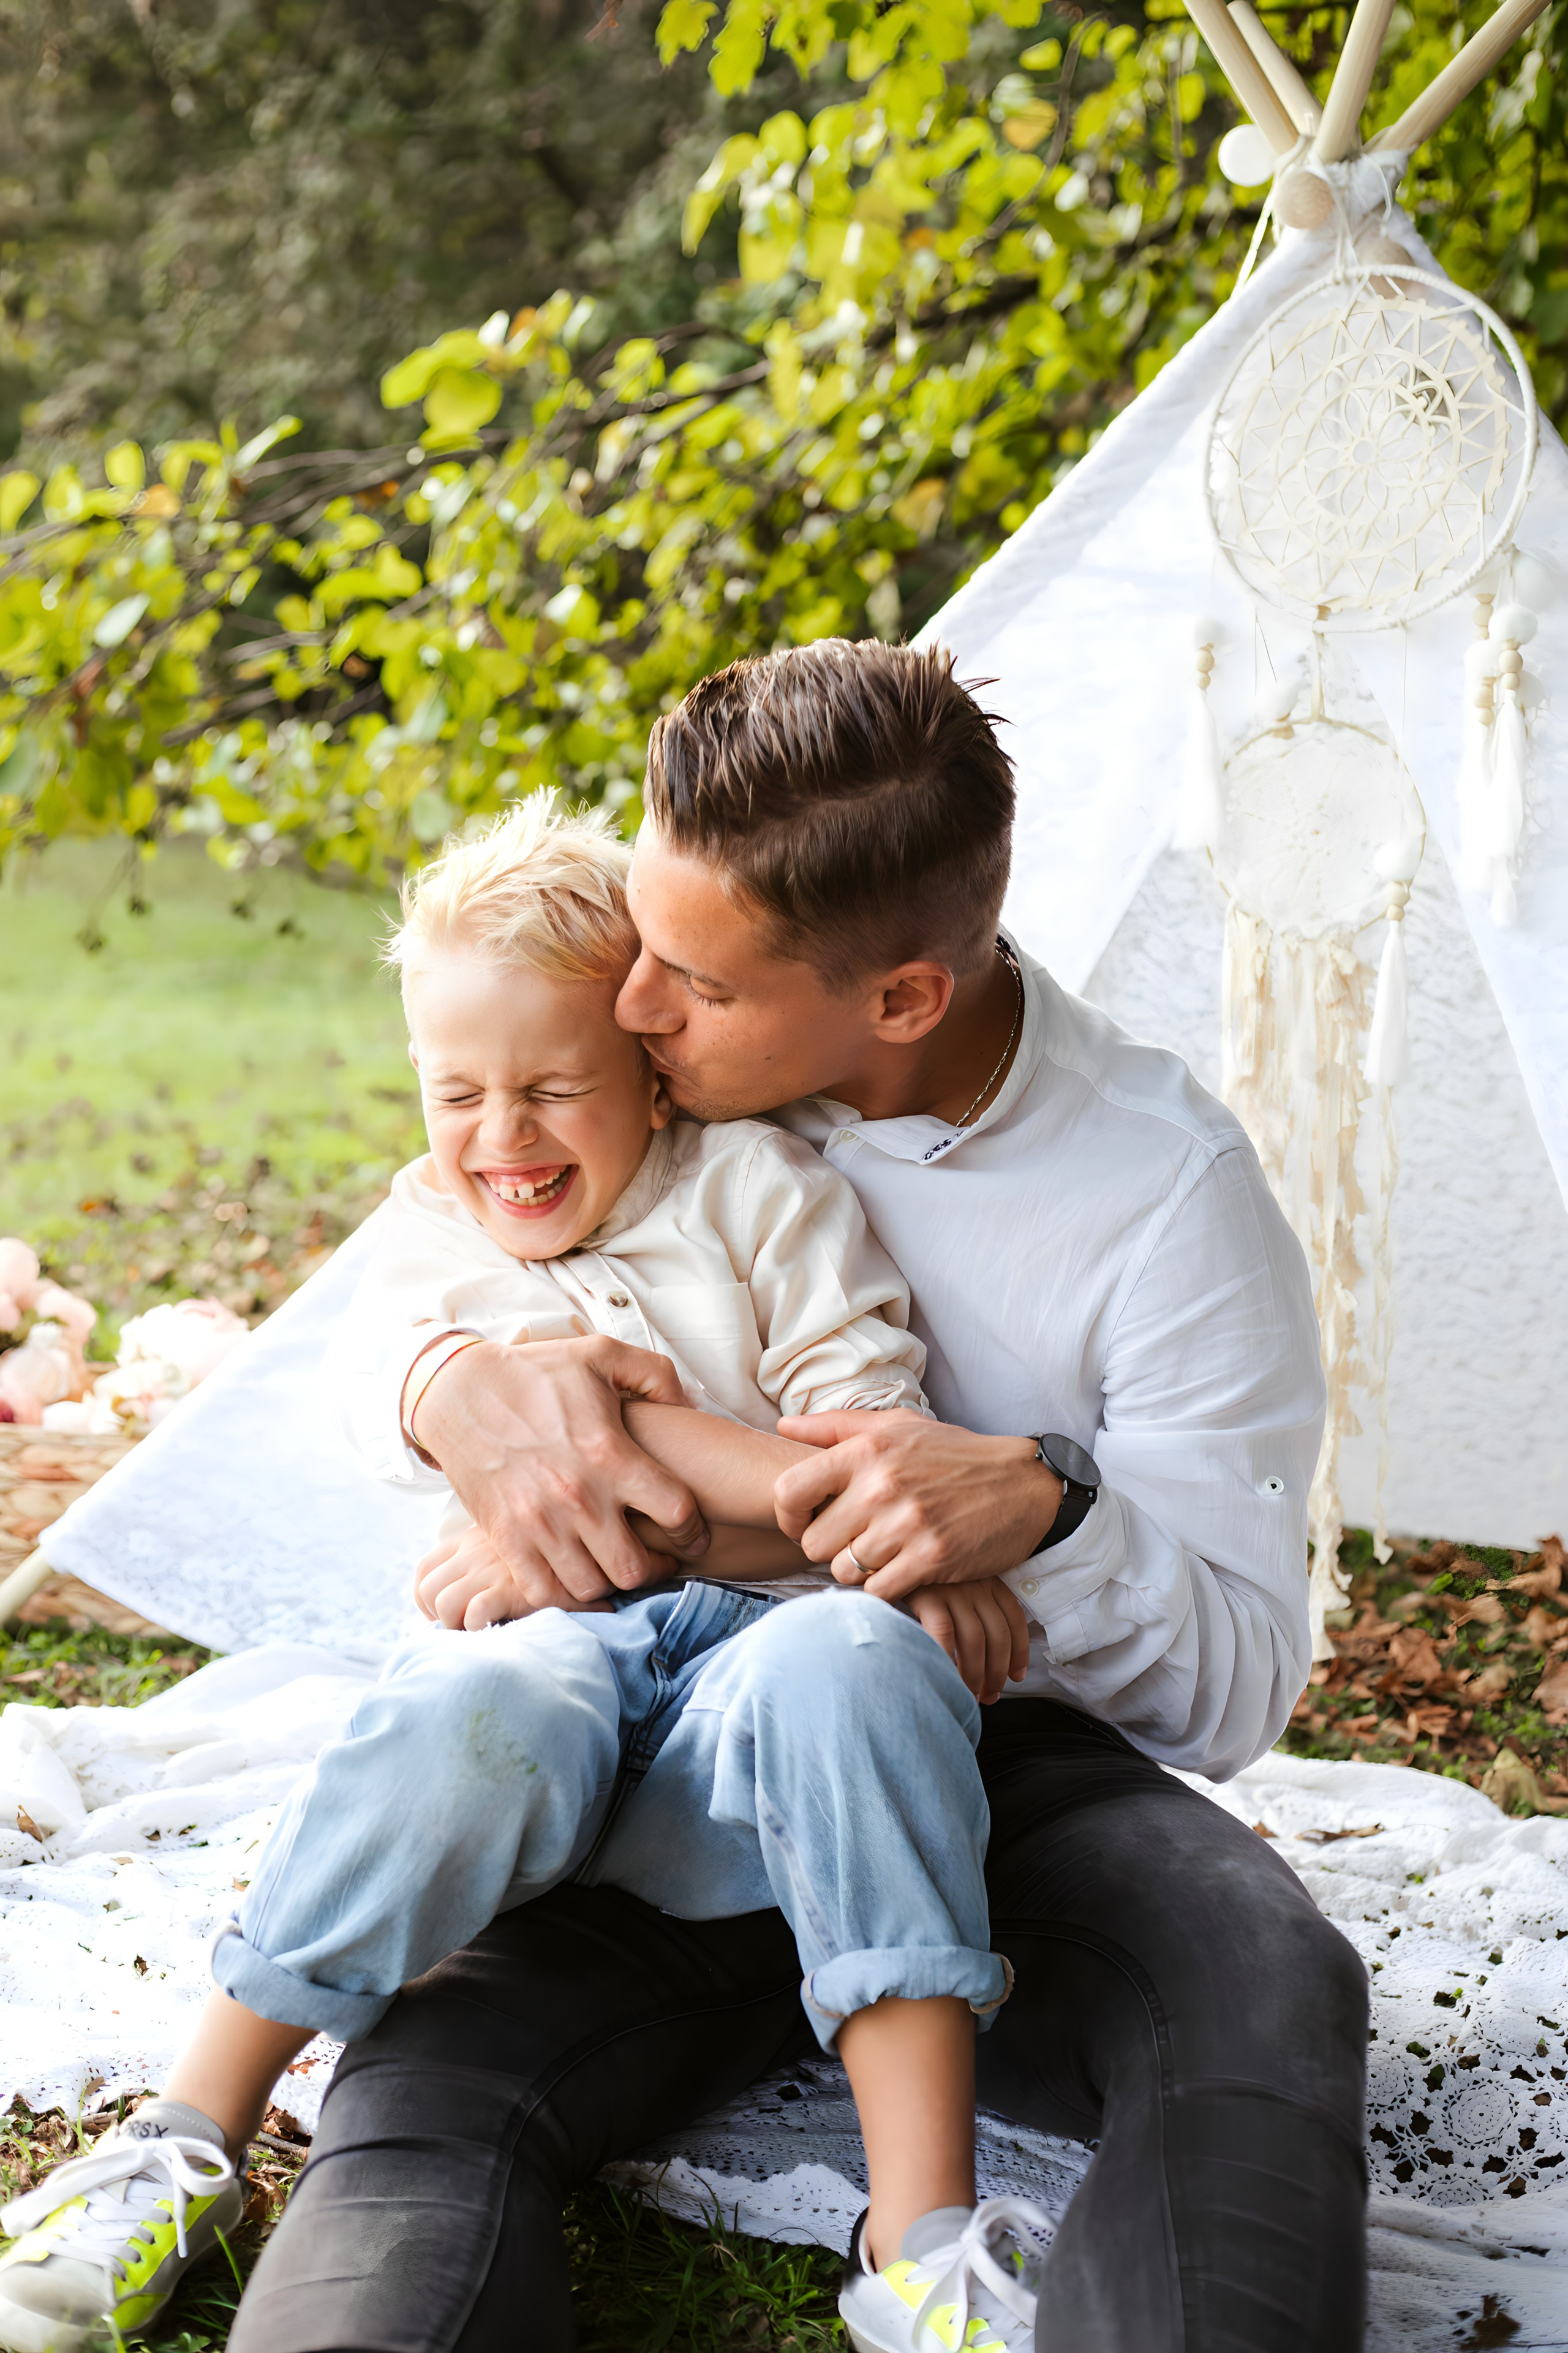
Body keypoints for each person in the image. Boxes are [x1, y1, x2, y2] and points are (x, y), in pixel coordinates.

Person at [0, 802, 1046, 2353]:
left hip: (748, 1737)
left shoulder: (764, 1197)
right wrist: (717, 1486)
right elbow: (403, 1401)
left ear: (648, 1064)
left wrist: (638, 1475)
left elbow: (864, 1457)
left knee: (856, 1656)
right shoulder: (428, 1235)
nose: (503, 1135)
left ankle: (923, 2242)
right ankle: (185, 2136)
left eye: (555, 1086)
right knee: (498, 1680)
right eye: (457, 1092)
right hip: (538, 1717)